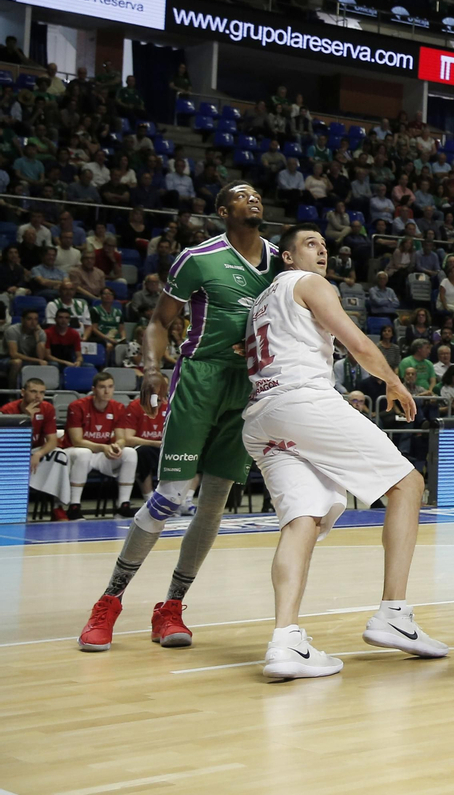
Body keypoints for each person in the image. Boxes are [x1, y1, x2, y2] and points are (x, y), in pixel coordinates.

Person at [78, 183, 281, 652]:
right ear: (222, 209)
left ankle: (171, 607)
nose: (253, 198)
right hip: (199, 379)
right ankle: (109, 601)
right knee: (171, 495)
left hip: (247, 386)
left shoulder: (280, 262)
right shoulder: (198, 257)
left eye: (257, 194)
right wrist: (151, 370)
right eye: (242, 195)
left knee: (213, 505)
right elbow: (158, 320)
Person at [240, 224, 445, 680]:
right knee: (408, 484)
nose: (322, 252)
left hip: (260, 417)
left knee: (303, 522)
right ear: (288, 258)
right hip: (301, 400)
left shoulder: (260, 303)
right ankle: (393, 612)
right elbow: (356, 342)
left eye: (325, 247)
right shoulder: (310, 283)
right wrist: (392, 380)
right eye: (311, 244)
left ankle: (285, 640)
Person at [63, 372, 139, 517]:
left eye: (110, 387)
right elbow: (77, 441)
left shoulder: (118, 407)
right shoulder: (77, 406)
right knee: (83, 453)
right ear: (94, 389)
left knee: (130, 452)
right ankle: (74, 505)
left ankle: (123, 504)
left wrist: (117, 446)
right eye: (102, 387)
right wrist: (104, 447)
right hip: (73, 453)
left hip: (100, 454)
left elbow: (122, 438)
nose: (106, 391)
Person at [14, 378, 67, 520]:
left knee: (59, 455)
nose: (38, 396)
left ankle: (57, 506)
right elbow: (10, 442)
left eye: (42, 393)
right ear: (23, 392)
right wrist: (26, 418)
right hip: (13, 453)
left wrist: (39, 453)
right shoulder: (8, 410)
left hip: (35, 452)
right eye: (33, 392)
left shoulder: (47, 408)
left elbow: (52, 441)